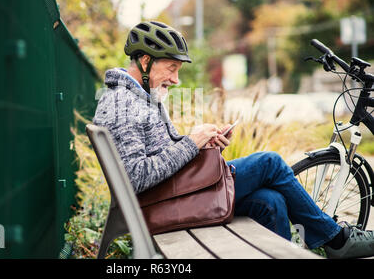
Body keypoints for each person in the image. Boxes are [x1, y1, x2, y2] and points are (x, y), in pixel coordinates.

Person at [93, 20, 374, 259]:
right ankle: (336, 239)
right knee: (270, 163)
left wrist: (202, 141)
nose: (176, 80)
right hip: (164, 203)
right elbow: (136, 177)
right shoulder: (122, 104)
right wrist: (192, 142)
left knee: (270, 200)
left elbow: (162, 151)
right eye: (171, 68)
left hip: (175, 193)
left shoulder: (139, 96)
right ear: (145, 61)